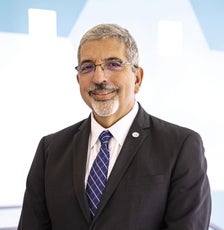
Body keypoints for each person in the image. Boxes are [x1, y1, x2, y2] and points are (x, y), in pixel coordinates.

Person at [18, 23, 211, 230]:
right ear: (78, 80)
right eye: (88, 67)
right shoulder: (51, 149)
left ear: (137, 78)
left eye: (113, 64)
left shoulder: (180, 145)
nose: (99, 78)